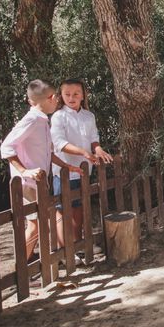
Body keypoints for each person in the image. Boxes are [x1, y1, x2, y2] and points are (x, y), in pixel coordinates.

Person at [0, 80, 82, 261]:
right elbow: (6, 147)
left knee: (41, 222)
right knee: (40, 223)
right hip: (28, 183)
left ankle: (57, 257)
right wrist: (24, 171)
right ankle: (23, 265)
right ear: (52, 98)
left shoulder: (42, 120)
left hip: (39, 181)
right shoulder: (31, 120)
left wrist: (66, 166)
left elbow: (48, 152)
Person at [51, 78, 113, 249]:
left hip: (84, 169)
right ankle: (64, 251)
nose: (72, 97)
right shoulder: (58, 117)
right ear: (61, 96)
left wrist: (98, 149)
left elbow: (94, 139)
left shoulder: (89, 116)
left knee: (79, 210)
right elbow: (59, 143)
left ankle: (77, 245)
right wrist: (83, 152)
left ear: (84, 95)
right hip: (65, 171)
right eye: (67, 94)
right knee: (64, 212)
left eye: (76, 94)